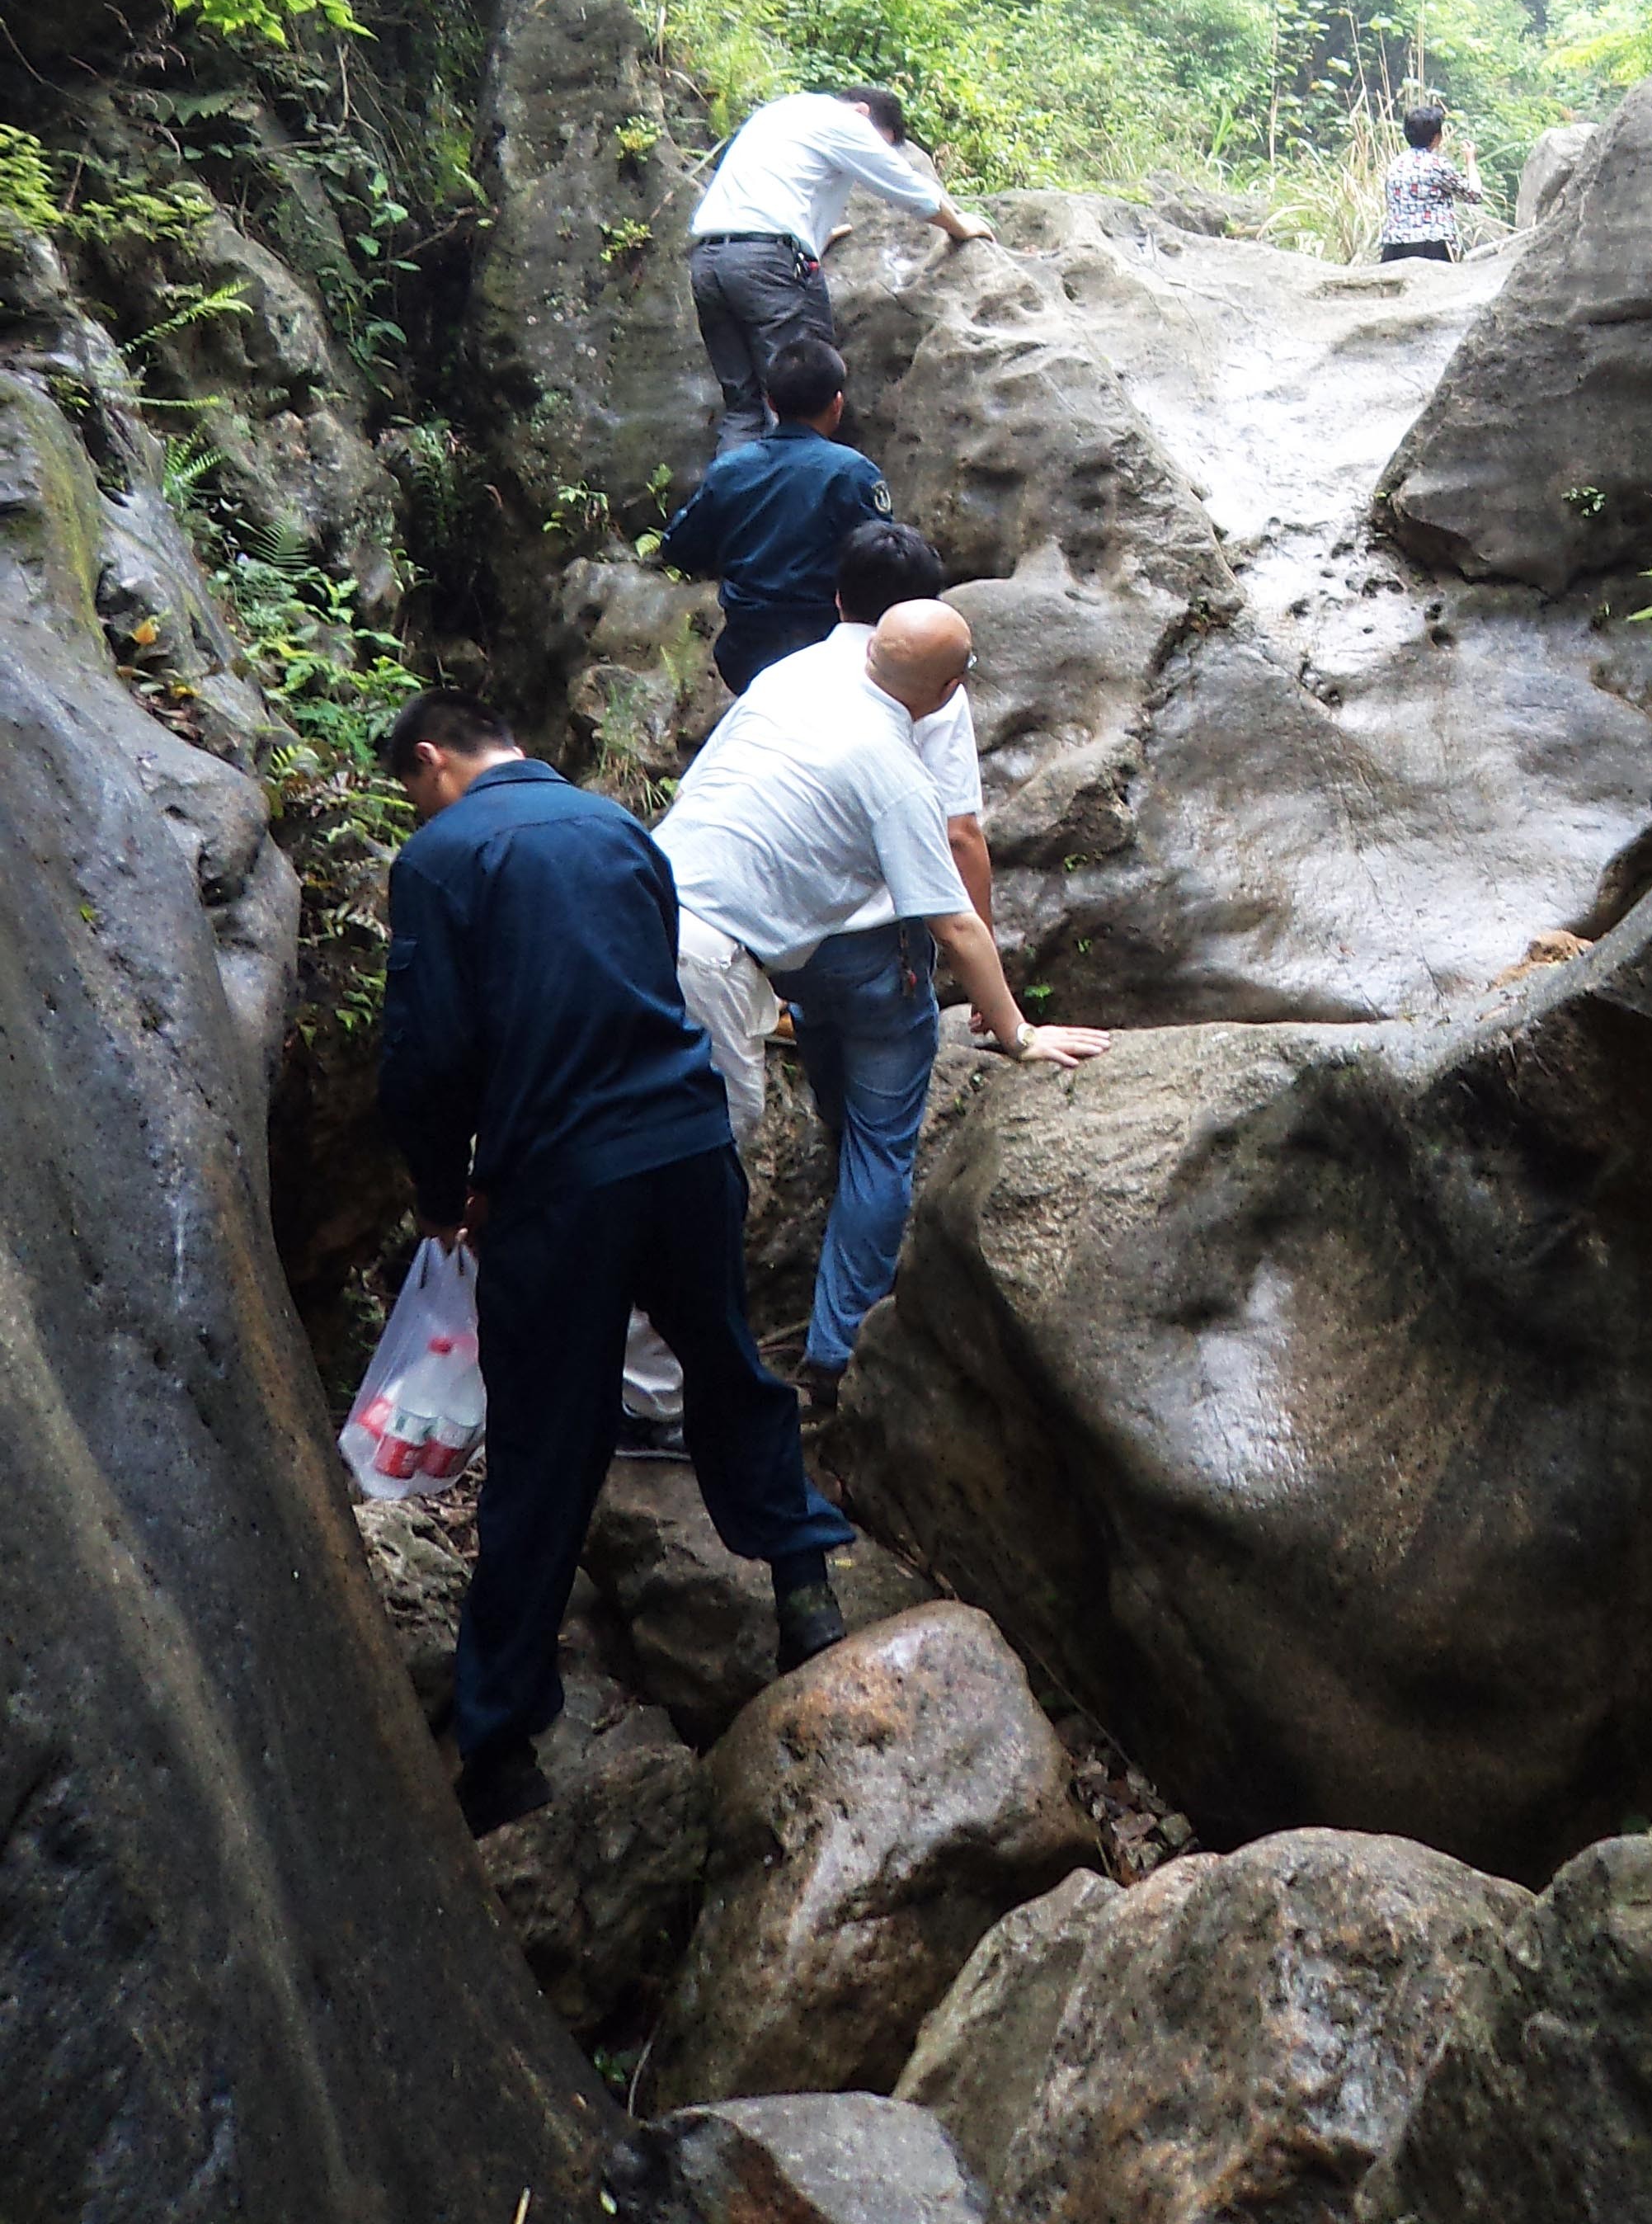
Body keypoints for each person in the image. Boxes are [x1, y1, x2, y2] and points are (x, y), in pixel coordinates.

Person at [377, 690, 852, 1837]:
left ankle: (500, 1751)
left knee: (548, 1439)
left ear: (434, 761)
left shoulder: (440, 858)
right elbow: (629, 986)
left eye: (413, 784)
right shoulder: (620, 829)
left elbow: (429, 1053)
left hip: (564, 1183)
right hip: (686, 1147)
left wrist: (446, 1197)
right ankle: (803, 1590)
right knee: (728, 1366)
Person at [655, 594, 1109, 1411]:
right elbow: (959, 926)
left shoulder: (794, 680)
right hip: (717, 962)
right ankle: (762, 1373)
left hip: (648, 909)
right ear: (942, 692)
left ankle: (670, 1366)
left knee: (663, 1140)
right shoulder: (893, 765)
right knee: (712, 1165)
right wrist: (1017, 1032)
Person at [615, 517, 986, 1452]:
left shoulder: (786, 678)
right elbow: (958, 843)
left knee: (708, 1138)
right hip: (790, 947)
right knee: (827, 1148)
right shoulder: (922, 705)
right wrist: (1001, 1007)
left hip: (682, 917)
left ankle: (663, 1370)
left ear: (834, 601)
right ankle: (779, 1360)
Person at [690, 86, 993, 458]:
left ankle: (731, 509)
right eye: (878, 142)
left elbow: (775, 188)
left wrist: (809, 238)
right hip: (765, 264)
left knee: (744, 407)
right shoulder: (843, 121)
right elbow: (908, 188)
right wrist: (959, 225)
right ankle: (792, 510)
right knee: (797, 406)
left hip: (709, 263)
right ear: (862, 113)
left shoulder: (783, 112)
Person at [661, 335, 901, 694]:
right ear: (837, 404)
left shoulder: (730, 470)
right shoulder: (853, 473)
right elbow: (885, 567)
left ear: (770, 403)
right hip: (827, 650)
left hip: (748, 653)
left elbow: (678, 548)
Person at [1375, 100, 1485, 266]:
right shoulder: (1437, 166)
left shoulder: (1395, 165)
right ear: (1436, 138)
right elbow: (1474, 195)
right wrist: (1470, 160)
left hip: (1394, 248)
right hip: (1430, 247)